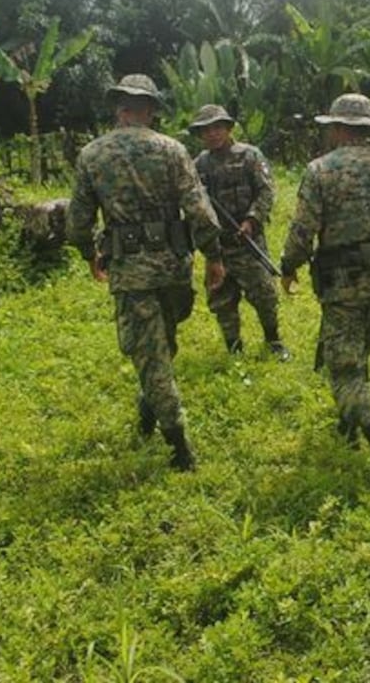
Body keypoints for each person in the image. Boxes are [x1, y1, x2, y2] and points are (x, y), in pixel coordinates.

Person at [66, 74, 226, 472]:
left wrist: (89, 254)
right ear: (150, 111)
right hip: (174, 267)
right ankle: (148, 413)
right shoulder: (172, 149)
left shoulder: (92, 155)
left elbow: (77, 222)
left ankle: (180, 450)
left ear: (120, 110)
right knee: (161, 347)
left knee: (154, 356)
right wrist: (214, 256)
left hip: (131, 271)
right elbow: (199, 209)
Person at [278, 93, 370, 481]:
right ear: (366, 129)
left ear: (338, 128)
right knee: (357, 348)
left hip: (340, 280)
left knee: (344, 370)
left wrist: (288, 266)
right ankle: (347, 423)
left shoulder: (321, 170)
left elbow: (303, 229)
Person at [188, 104, 290, 361]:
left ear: (228, 128)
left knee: (265, 296)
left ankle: (273, 340)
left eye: (217, 128)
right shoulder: (198, 165)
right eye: (206, 130)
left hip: (248, 243)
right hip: (218, 248)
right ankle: (234, 348)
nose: (212, 134)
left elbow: (266, 191)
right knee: (222, 300)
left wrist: (251, 220)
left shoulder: (250, 156)